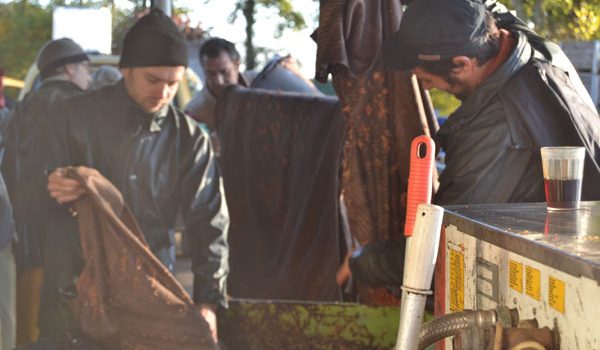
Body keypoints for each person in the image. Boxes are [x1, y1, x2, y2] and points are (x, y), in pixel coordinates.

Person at [37, 9, 228, 343]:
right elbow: (23, 187)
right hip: (74, 288)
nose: (164, 92)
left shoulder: (190, 138)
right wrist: (48, 183)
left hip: (150, 287)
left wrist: (209, 300)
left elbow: (209, 220)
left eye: (173, 83)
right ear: (126, 70)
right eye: (152, 80)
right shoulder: (73, 117)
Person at [383, 0, 600, 205]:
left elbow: (447, 228)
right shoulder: (532, 47)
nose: (427, 88)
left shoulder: (494, 128)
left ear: (461, 64)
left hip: (552, 241)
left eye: (426, 79)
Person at [0, 38, 91, 346]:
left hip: (22, 239)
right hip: (66, 243)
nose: (89, 78)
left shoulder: (23, 108)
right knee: (62, 330)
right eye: (86, 70)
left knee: (25, 330)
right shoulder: (80, 106)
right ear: (69, 68)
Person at [185, 37, 251, 130]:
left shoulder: (263, 83)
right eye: (211, 74)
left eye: (224, 72)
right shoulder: (195, 113)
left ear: (237, 64)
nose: (219, 81)